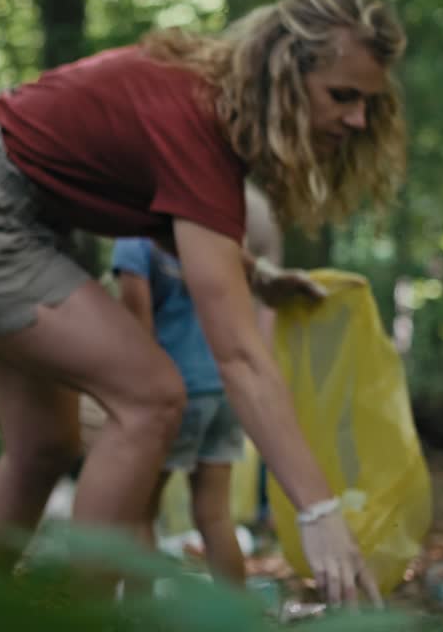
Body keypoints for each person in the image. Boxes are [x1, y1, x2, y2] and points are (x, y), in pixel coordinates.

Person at [0, 0, 406, 605]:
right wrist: (317, 510)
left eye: (368, 103)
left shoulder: (206, 101)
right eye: (342, 95)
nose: (357, 118)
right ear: (282, 72)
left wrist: (258, 277)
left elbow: (178, 228)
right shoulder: (197, 118)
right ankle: (83, 616)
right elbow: (241, 357)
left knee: (45, 445)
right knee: (153, 398)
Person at [112, 183, 282, 587]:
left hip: (176, 391)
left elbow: (138, 326)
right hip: (224, 388)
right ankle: (236, 612)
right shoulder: (212, 231)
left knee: (140, 511)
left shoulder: (133, 239)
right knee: (215, 514)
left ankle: (139, 611)